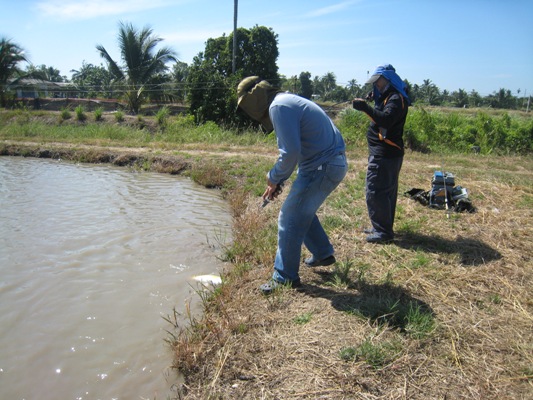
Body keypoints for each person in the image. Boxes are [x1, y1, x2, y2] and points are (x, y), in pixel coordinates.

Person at [237, 76, 348, 294]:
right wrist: (279, 180)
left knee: (289, 216)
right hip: (328, 163)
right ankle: (322, 253)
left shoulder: (279, 106)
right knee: (301, 210)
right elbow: (296, 150)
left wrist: (274, 176)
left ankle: (284, 276)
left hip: (322, 165)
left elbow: (290, 153)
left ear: (254, 97)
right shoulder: (286, 101)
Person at [352, 64, 410, 243]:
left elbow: (386, 119)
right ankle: (382, 227)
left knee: (376, 190)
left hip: (385, 153)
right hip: (388, 153)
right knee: (386, 192)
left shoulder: (394, 98)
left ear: (389, 79)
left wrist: (365, 108)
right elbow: (382, 110)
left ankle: (383, 232)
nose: (376, 85)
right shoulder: (389, 96)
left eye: (379, 81)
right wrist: (374, 99)